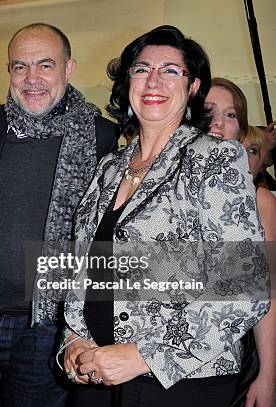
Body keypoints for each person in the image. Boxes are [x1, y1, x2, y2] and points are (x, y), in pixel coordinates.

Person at [62, 25, 270, 406]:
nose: (153, 80)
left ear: (193, 88)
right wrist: (73, 340)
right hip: (96, 374)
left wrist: (142, 356)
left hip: (176, 384)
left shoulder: (215, 159)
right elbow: (82, 265)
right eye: (142, 69)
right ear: (128, 83)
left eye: (171, 70)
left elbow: (245, 290)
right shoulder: (109, 168)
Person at [0, 23, 119, 406]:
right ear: (8, 70)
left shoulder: (102, 136)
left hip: (48, 326)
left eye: (45, 65)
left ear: (68, 69)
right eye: (20, 66)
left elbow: (103, 240)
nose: (32, 78)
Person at [205, 79, 276, 407]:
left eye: (230, 115)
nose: (217, 122)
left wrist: (268, 375)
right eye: (208, 112)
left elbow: (268, 288)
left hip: (234, 357)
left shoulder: (258, 201)